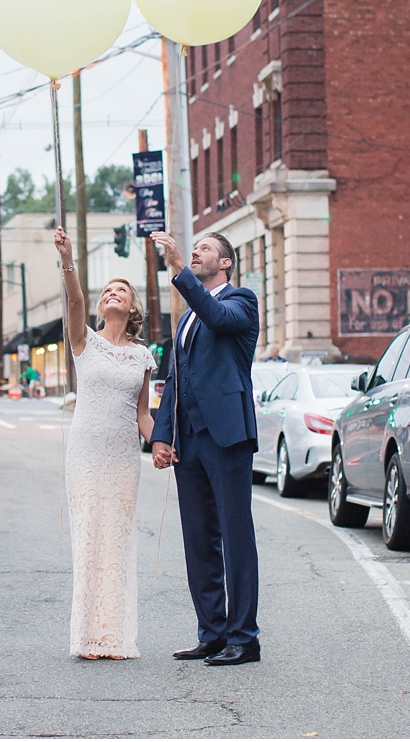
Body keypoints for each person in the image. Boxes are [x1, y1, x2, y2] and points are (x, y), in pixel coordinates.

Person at [148, 230, 262, 666]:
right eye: (192, 250)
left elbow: (217, 316)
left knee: (235, 537)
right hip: (190, 439)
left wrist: (178, 266)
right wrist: (163, 434)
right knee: (198, 540)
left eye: (205, 249)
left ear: (226, 263)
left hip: (228, 436)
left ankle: (244, 637)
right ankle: (212, 633)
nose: (195, 253)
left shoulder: (241, 301)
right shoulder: (184, 320)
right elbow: (175, 379)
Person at [54, 226, 156, 660]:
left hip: (123, 458)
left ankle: (113, 636)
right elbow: (74, 300)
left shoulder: (142, 355)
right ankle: (86, 638)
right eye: (107, 290)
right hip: (86, 454)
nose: (113, 293)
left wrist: (167, 447)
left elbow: (142, 415)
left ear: (132, 307)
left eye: (122, 290)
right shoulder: (84, 341)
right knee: (89, 537)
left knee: (117, 541)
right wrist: (68, 258)